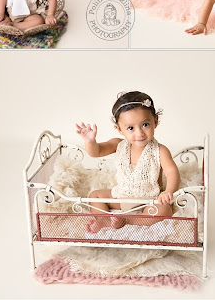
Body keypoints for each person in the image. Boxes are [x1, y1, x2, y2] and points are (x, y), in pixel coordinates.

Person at [76, 91, 180, 232]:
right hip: (121, 196)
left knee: (163, 210)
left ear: (155, 121)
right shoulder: (118, 145)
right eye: (130, 128)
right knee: (95, 196)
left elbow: (172, 172)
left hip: (147, 201)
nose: (139, 133)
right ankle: (105, 221)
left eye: (145, 125)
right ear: (119, 129)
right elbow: (97, 151)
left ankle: (127, 220)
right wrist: (90, 141)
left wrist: (168, 191)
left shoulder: (160, 150)